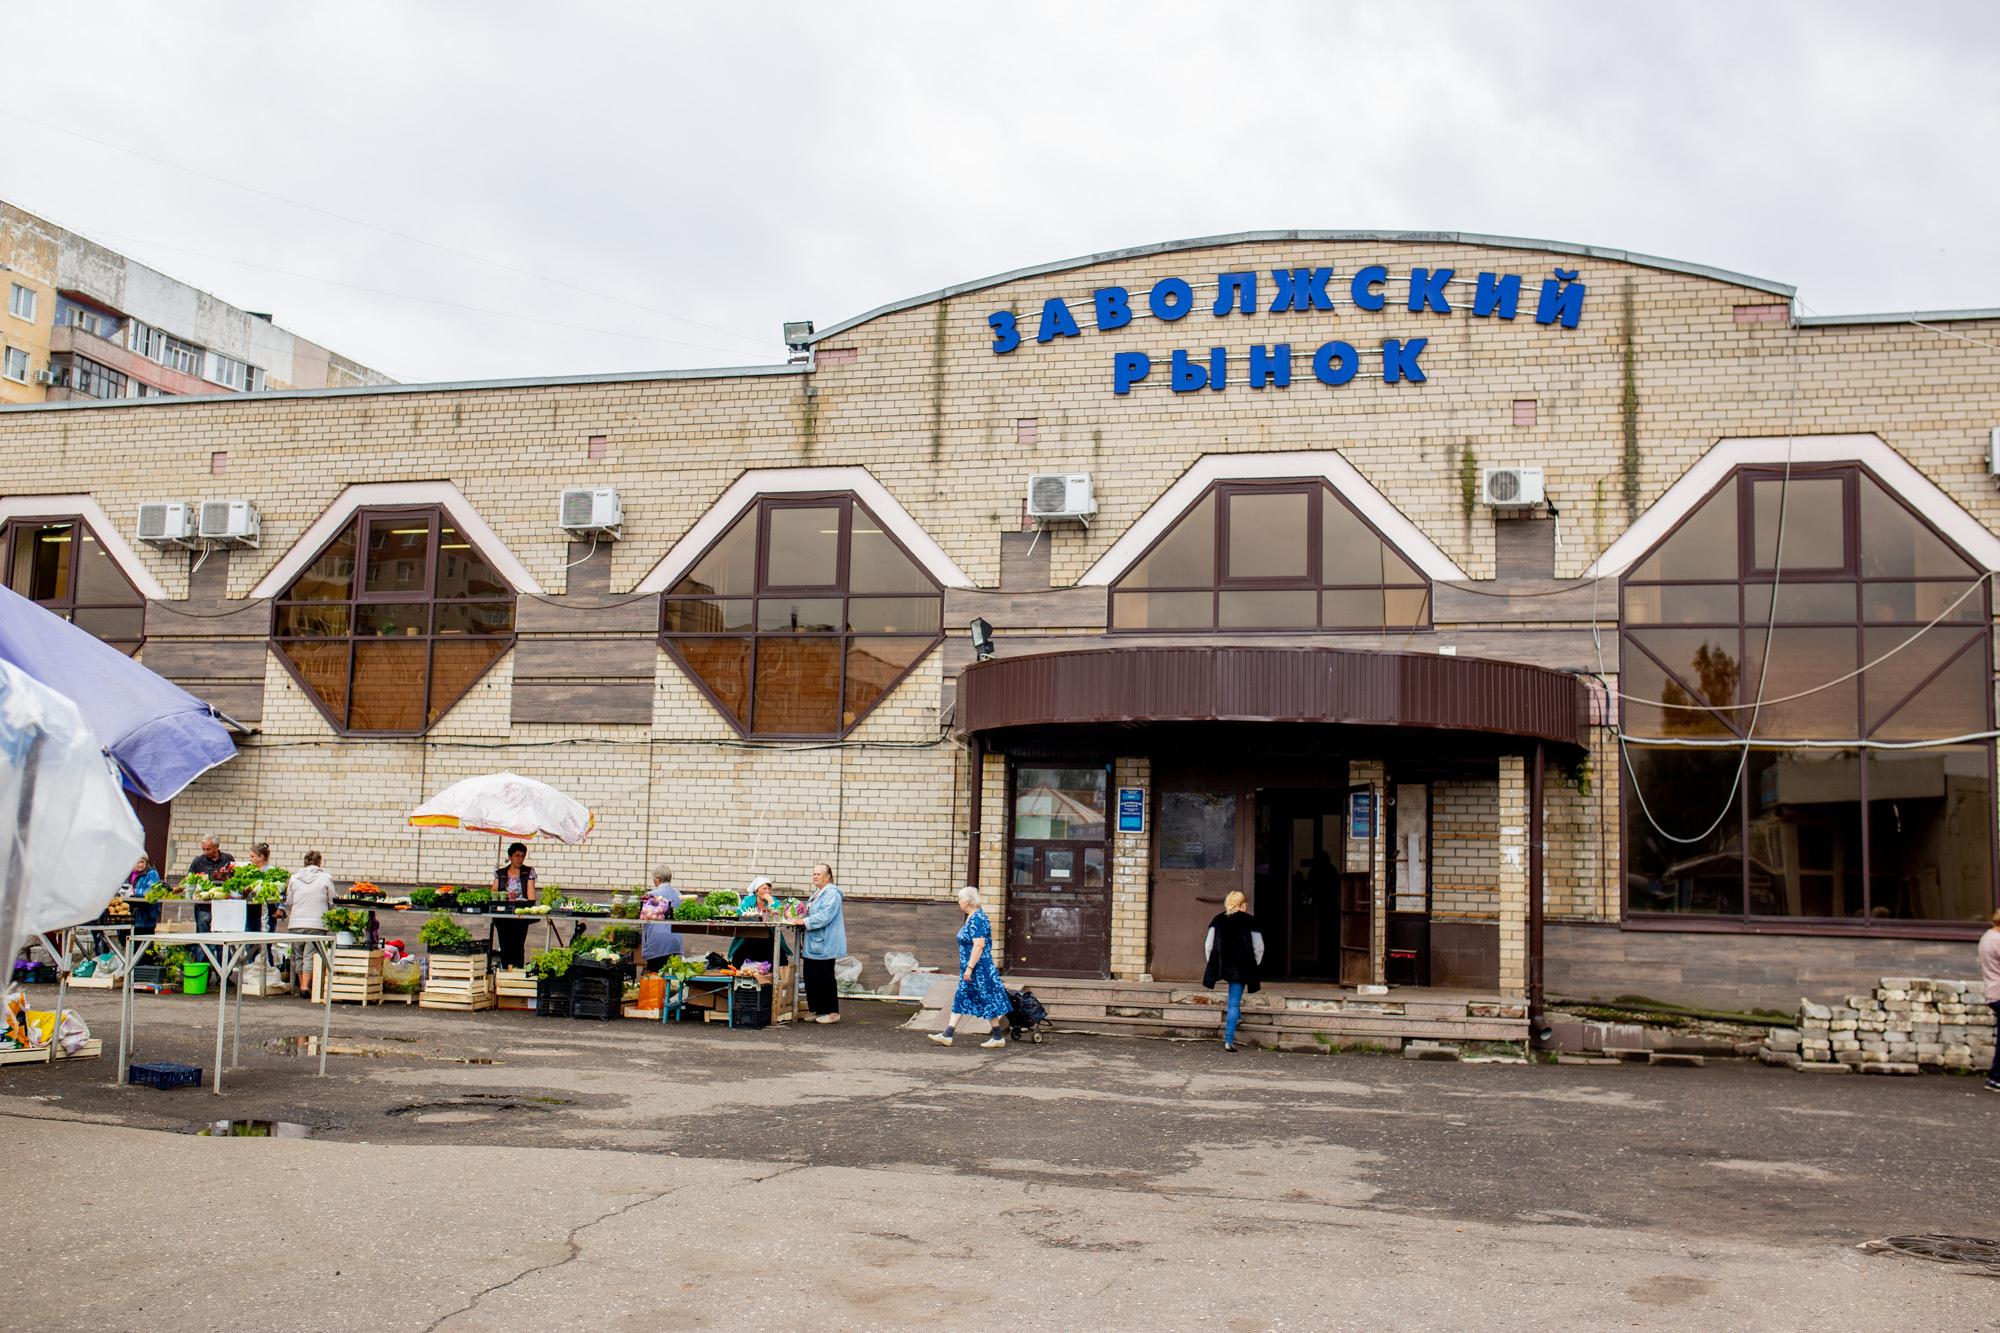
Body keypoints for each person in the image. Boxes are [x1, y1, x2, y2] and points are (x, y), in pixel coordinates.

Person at [928, 886, 1011, 1049]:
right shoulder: (972, 917)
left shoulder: (977, 918)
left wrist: (970, 968)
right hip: (973, 968)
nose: (959, 902)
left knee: (986, 999)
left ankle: (995, 1037)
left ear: (967, 901)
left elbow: (979, 945)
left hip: (979, 969)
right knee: (963, 997)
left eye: (960, 899)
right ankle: (949, 1034)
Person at [1202, 890, 1264, 1053]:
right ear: (1242, 905)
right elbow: (1259, 947)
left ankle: (1238, 1017)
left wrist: (1213, 963)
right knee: (1233, 1002)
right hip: (1241, 967)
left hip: (1223, 965)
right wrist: (1254, 964)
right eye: (1245, 903)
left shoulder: (1218, 920)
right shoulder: (1250, 921)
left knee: (1233, 1002)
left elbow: (1208, 945)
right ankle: (1229, 1040)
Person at [799, 862, 846, 1024]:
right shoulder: (817, 893)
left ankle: (832, 1012)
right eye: (814, 874)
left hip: (826, 943)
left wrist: (803, 922)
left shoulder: (832, 893)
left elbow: (825, 916)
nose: (815, 876)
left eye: (819, 874)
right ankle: (818, 1010)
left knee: (825, 977)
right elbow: (810, 911)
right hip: (813, 943)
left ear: (828, 877)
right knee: (811, 977)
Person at [491, 842, 536, 968]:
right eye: (517, 855)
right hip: (503, 916)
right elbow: (494, 892)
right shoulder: (500, 873)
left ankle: (517, 974)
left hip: (520, 917)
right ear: (510, 857)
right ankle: (505, 973)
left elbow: (531, 893)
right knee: (505, 946)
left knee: (518, 946)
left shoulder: (528, 872)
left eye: (522, 856)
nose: (519, 859)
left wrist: (529, 909)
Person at [640, 865, 683, 972]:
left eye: (654, 878)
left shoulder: (650, 895)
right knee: (672, 976)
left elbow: (643, 917)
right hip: (675, 941)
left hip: (657, 943)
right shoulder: (679, 895)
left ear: (658, 879)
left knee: (656, 976)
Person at [187, 835, 235, 932]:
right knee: (203, 933)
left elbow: (234, 879)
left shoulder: (228, 859)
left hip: (223, 904)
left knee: (222, 934)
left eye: (208, 849)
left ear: (216, 847)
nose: (205, 852)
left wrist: (226, 876)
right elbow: (189, 879)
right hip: (203, 905)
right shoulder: (198, 861)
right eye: (203, 849)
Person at [1981, 907, 2000, 1093]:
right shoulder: (1997, 940)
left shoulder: (1987, 936)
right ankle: (1996, 1077)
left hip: (1993, 992)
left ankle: (1995, 1077)